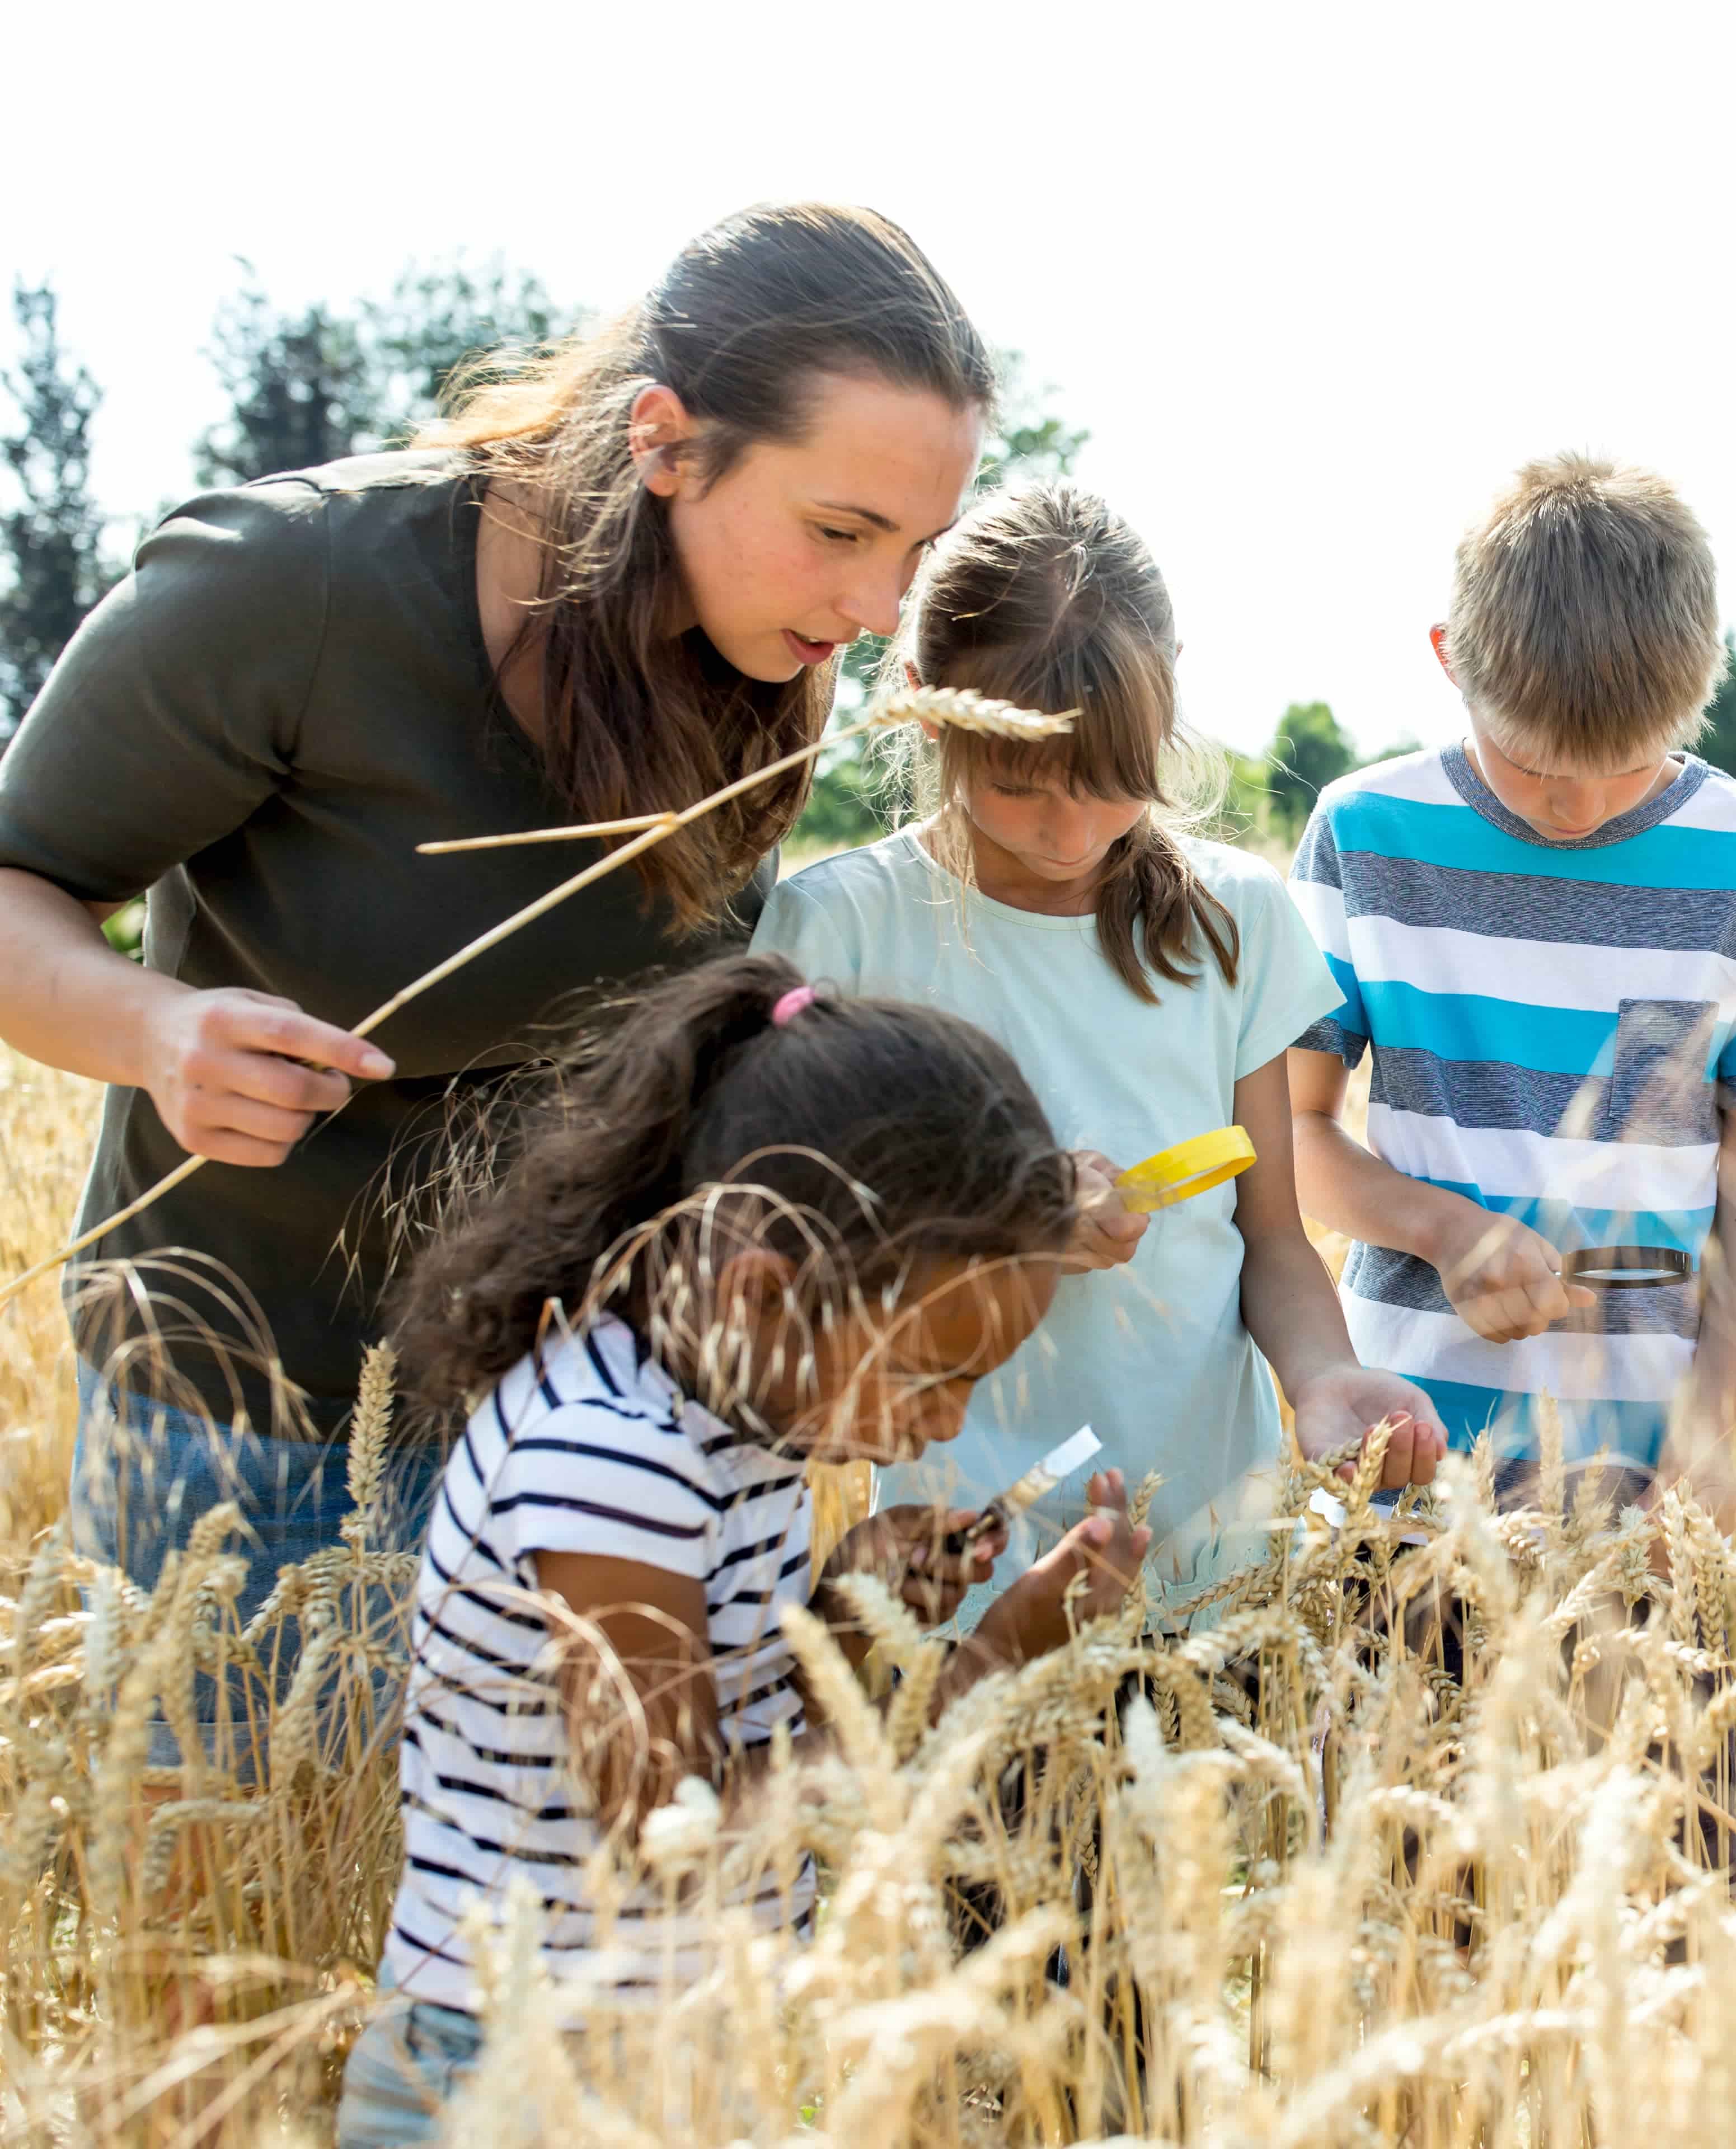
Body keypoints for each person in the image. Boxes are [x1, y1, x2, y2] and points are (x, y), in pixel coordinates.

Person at [0, 203, 997, 1761]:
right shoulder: (292, 588)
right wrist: (156, 1028)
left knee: (505, 1916)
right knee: (223, 1930)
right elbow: (17, 882)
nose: (880, 616)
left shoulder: (767, 662)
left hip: (564, 1420)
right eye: (842, 531)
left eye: (918, 549)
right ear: (668, 443)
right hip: (241, 1395)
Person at [331, 954, 1149, 2147]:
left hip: (660, 2059)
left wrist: (856, 1609)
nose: (949, 1423)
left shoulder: (729, 1410)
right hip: (518, 2082)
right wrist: (980, 1674)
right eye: (932, 1372)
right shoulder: (612, 1463)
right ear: (767, 1292)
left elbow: (723, 1709)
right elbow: (676, 1837)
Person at [753, 482, 1441, 1621]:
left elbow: (1268, 1235)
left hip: (1222, 1562)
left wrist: (1321, 1379)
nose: (1070, 835)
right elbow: (785, 1252)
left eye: (1115, 784)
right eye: (1019, 785)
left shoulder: (1235, 920)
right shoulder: (844, 930)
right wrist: (995, 1230)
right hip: (965, 1574)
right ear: (923, 707)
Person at [1286, 453, 1736, 1515]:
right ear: (1450, 660)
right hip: (1403, 1456)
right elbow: (1292, 1139)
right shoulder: (1365, 836)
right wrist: (1445, 1232)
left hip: (1643, 1474)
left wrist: (1712, 1417)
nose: (1580, 807)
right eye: (1536, 765)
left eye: (1630, 762)